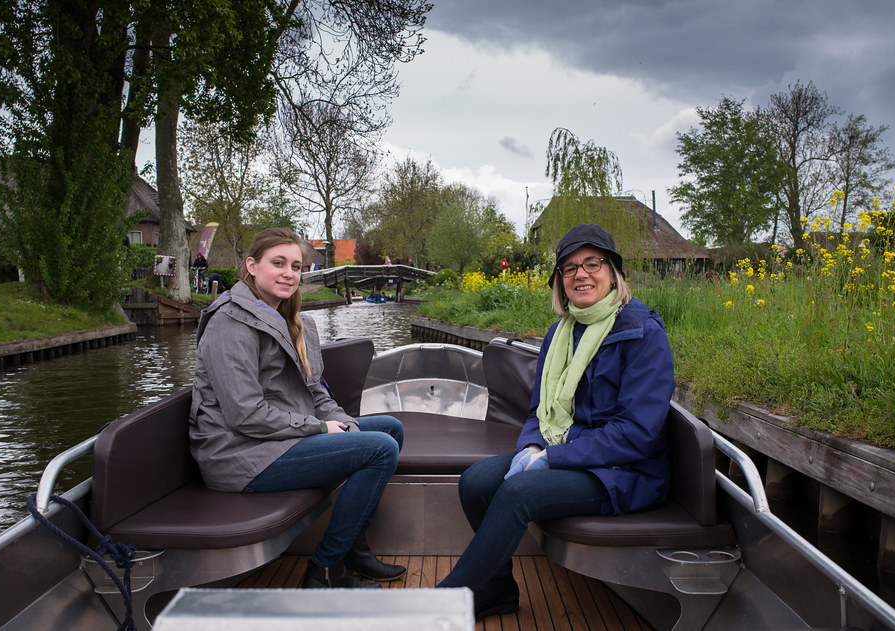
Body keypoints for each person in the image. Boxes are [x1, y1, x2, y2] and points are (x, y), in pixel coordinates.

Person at [437, 223, 675, 619]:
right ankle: (496, 591)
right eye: (569, 268)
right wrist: (532, 446)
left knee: (519, 492)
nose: (580, 274)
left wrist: (551, 458)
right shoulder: (560, 333)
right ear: (560, 282)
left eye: (592, 263)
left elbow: (637, 435)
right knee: (475, 481)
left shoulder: (642, 334)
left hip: (625, 472)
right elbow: (538, 410)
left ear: (614, 272)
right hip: (569, 452)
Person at [189, 227, 407, 589]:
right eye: (279, 263)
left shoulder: (293, 321)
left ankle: (355, 549)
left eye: (296, 266)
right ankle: (325, 569)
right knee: (380, 450)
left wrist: (339, 421)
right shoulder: (230, 323)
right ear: (252, 266)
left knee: (388, 430)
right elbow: (245, 414)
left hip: (275, 440)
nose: (290, 273)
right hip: (238, 454)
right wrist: (320, 429)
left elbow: (315, 392)